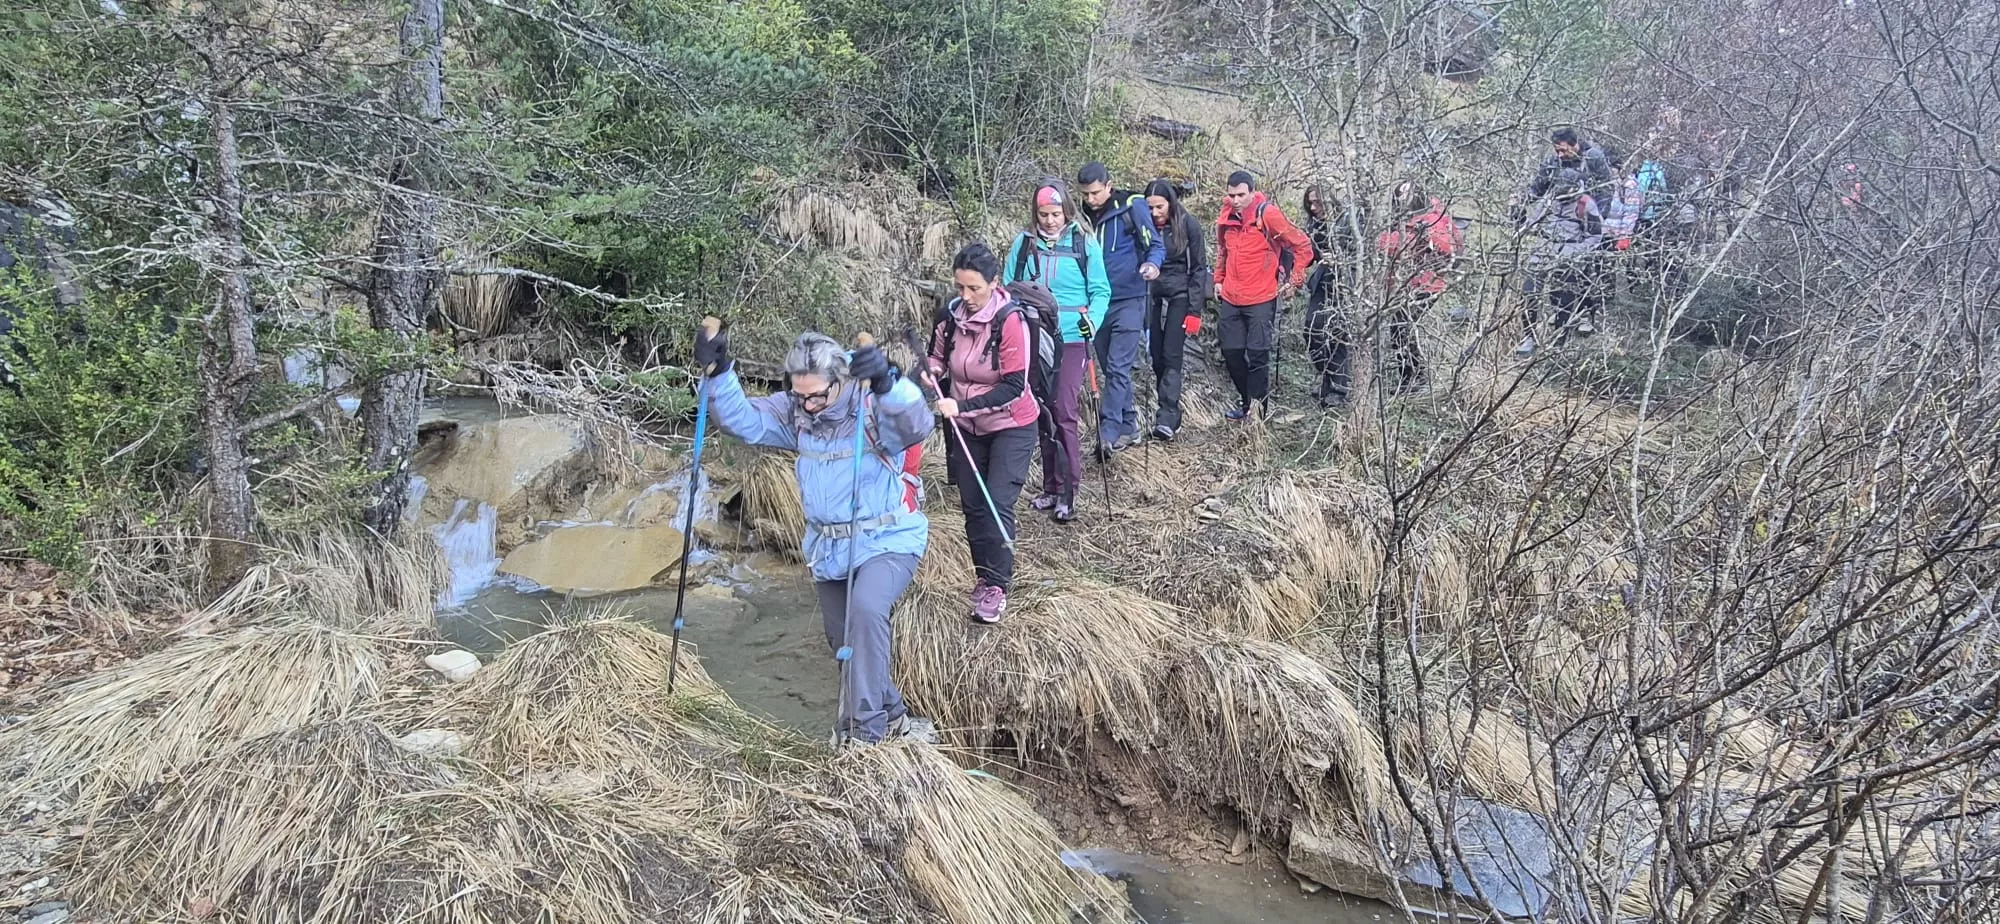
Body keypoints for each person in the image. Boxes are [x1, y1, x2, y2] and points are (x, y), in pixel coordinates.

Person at [692, 324, 932, 745]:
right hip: (829, 548)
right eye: (800, 394)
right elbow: (743, 421)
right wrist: (721, 372)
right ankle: (894, 715)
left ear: (841, 381)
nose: (809, 404)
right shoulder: (797, 413)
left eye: (818, 394)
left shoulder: (872, 409)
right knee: (843, 642)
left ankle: (864, 733)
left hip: (888, 539)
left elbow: (915, 424)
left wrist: (886, 383)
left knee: (867, 611)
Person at [925, 243, 1041, 624]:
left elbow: (1013, 386)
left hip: (1012, 425)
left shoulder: (1011, 322)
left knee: (997, 504)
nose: (966, 296)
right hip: (967, 428)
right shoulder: (950, 316)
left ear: (994, 283)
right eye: (960, 287)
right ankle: (983, 576)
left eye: (974, 288)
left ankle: (997, 587)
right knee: (973, 506)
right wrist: (929, 372)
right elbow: (938, 359)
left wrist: (961, 406)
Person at [1003, 183, 1110, 523]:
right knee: (1041, 411)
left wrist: (1090, 322)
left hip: (1071, 338)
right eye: (1043, 215)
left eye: (1055, 214)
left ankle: (1068, 491)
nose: (1050, 221)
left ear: (1067, 210)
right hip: (1032, 335)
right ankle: (1051, 486)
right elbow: (1008, 288)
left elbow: (1101, 290)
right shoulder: (1023, 244)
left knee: (1063, 409)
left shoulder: (1084, 243)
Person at [1074, 162, 1165, 454]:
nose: (1090, 199)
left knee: (1117, 366)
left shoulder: (1130, 207)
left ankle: (1109, 430)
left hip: (1130, 298)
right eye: (1085, 194)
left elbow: (1156, 245)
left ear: (1108, 186)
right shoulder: (1081, 216)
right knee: (1109, 366)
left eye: (1095, 193)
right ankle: (1129, 426)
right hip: (1097, 302)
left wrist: (1152, 265)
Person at [1213, 170, 1313, 420]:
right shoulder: (1226, 214)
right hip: (1231, 297)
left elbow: (1302, 245)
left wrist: (1295, 280)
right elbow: (1223, 250)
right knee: (1231, 351)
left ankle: (1258, 412)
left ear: (1252, 192)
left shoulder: (1267, 214)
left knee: (1258, 354)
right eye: (1231, 195)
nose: (1235, 200)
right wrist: (1218, 279)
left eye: (1240, 195)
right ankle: (1248, 403)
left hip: (1261, 297)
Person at [1514, 128, 1614, 334]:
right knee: (1548, 282)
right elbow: (1537, 188)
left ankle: (1586, 316)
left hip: (1585, 223)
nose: (1560, 154)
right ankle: (1553, 321)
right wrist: (1520, 204)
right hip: (1555, 225)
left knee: (1584, 276)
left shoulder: (1593, 157)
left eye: (1563, 150)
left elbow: (1606, 189)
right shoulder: (1553, 163)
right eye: (1556, 150)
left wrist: (1598, 218)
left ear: (1574, 143)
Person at [1374, 179, 1460, 392]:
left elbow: (1448, 248)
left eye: (1407, 193)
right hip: (1402, 283)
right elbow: (1384, 244)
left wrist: (1426, 236)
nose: (1402, 198)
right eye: (1400, 193)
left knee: (1402, 327)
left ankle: (1415, 378)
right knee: (1400, 328)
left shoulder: (1432, 219)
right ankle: (1411, 377)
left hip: (1426, 284)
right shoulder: (1398, 220)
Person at [1142, 178, 1207, 439]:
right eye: (1150, 208)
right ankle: (1169, 410)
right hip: (1151, 295)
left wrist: (1194, 310)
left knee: (1171, 355)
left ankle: (1167, 415)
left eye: (1159, 207)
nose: (1155, 213)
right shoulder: (1143, 226)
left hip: (1180, 296)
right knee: (1156, 355)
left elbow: (1199, 268)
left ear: (1170, 203)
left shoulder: (1188, 224)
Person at [1517, 168, 1604, 355]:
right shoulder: (1551, 198)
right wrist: (1521, 228)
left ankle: (1558, 339)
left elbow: (1595, 237)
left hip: (1570, 255)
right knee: (1529, 292)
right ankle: (1529, 336)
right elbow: (1533, 220)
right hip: (1543, 249)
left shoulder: (1586, 204)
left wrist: (1574, 253)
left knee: (1563, 298)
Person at [1300, 186, 1366, 408]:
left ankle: (1338, 389)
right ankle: (1327, 377)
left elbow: (1363, 251)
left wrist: (1340, 259)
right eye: (1310, 203)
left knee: (1339, 336)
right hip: (1322, 281)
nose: (1313, 207)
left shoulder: (1351, 219)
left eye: (1317, 202)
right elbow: (1309, 253)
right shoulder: (1314, 224)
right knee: (1312, 330)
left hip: (1346, 284)